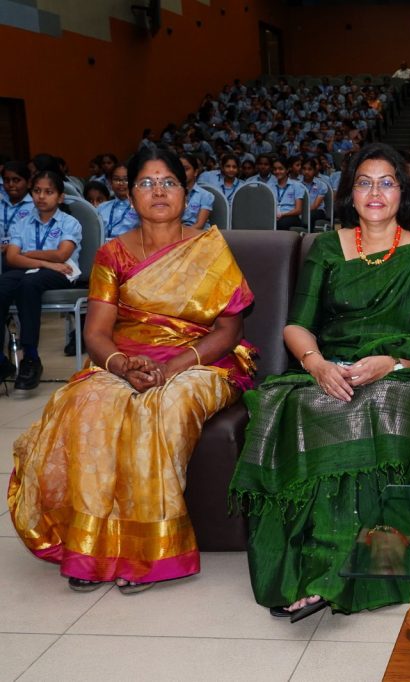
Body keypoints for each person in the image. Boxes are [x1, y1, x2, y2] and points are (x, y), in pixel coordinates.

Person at [230, 143, 410, 622]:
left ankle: (341, 571)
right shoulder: (325, 248)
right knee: (306, 405)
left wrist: (392, 362)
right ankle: (303, 567)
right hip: (333, 364)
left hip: (402, 376)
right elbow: (296, 325)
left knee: (377, 404)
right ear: (350, 193)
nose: (375, 191)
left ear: (403, 194)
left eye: (387, 182)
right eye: (365, 181)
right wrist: (317, 364)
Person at [7, 145, 255, 593]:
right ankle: (90, 547)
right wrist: (121, 365)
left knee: (161, 407)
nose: (158, 191)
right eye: (146, 182)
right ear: (130, 194)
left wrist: (174, 368)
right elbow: (98, 332)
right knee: (84, 404)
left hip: (202, 362)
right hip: (127, 359)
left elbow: (229, 330)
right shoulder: (112, 254)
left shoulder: (209, 249)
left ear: (187, 191)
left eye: (169, 182)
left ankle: (148, 552)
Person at [0, 171, 82, 389]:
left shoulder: (70, 222)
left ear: (60, 197)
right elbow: (10, 258)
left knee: (29, 284)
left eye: (49, 192)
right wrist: (44, 262)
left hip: (63, 272)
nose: (41, 197)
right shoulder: (22, 223)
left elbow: (61, 255)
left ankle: (31, 358)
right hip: (37, 269)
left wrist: (27, 254)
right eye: (37, 191)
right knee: (3, 285)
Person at [97, 165, 139, 240]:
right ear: (110, 182)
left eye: (126, 180)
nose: (121, 183)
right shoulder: (101, 208)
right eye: (116, 179)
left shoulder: (140, 207)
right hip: (104, 248)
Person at [1, 161, 34, 254]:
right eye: (6, 180)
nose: (10, 184)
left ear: (29, 183)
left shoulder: (36, 207)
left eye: (16, 180)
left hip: (22, 254)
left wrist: (12, 247)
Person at [270, 157, 305, 230]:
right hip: (273, 216)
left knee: (281, 223)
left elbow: (298, 210)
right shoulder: (269, 186)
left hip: (291, 216)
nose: (277, 171)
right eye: (275, 169)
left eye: (280, 169)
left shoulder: (297, 185)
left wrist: (282, 214)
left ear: (287, 169)